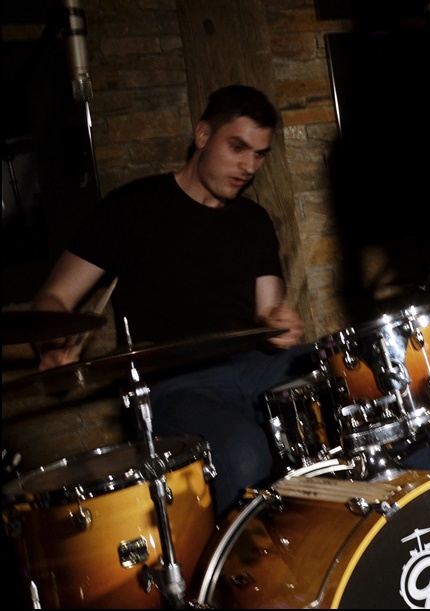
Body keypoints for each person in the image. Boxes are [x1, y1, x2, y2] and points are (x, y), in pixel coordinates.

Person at [31, 85, 307, 518]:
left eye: (259, 154)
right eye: (237, 148)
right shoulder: (132, 207)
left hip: (254, 366)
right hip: (175, 384)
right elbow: (54, 296)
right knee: (243, 451)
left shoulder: (253, 220)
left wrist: (280, 321)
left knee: (354, 382)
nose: (249, 166)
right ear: (202, 135)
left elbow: (268, 310)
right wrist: (52, 344)